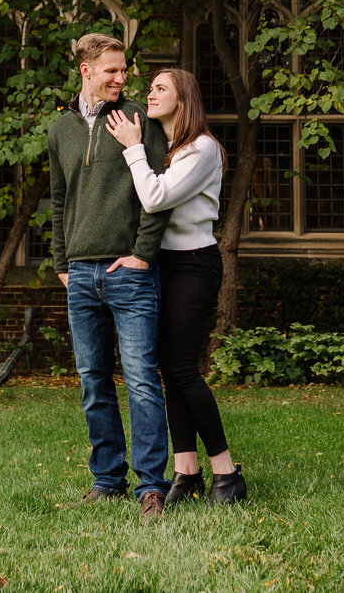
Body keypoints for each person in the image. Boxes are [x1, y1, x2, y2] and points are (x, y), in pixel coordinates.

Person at [106, 67, 248, 506]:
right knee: (168, 369)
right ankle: (186, 470)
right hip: (162, 265)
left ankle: (226, 472)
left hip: (194, 265)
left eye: (160, 88)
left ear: (183, 98)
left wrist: (131, 150)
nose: (150, 93)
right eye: (149, 87)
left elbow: (155, 198)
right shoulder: (163, 146)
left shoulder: (202, 148)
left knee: (183, 368)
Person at [49, 32, 173, 524]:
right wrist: (62, 263)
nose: (122, 79)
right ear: (86, 69)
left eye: (124, 70)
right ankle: (107, 479)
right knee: (93, 381)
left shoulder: (141, 119)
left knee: (142, 380)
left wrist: (143, 255)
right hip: (80, 274)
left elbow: (157, 191)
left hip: (130, 273)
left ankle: (151, 487)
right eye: (112, 71)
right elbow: (59, 202)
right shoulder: (60, 129)